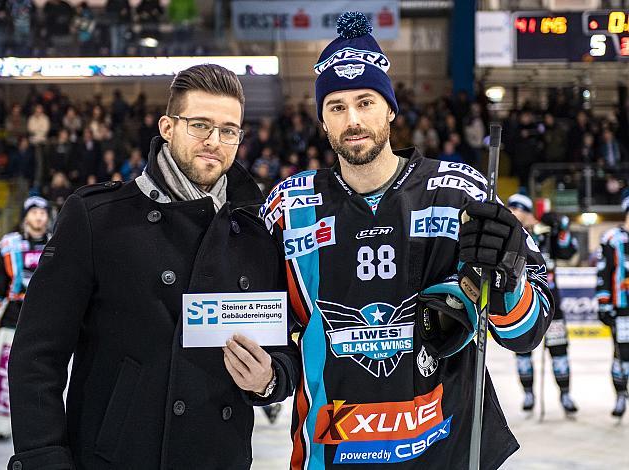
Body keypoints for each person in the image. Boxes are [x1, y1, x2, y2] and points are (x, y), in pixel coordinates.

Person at [260, 12, 554, 469]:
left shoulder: (460, 192)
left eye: (366, 102)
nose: (353, 119)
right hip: (333, 451)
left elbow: (528, 332)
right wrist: (268, 378)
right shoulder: (287, 207)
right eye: (336, 106)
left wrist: (508, 285)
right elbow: (265, 325)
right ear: (321, 120)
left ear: (391, 109)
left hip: (447, 451)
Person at [7, 64, 300, 470]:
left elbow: (286, 348)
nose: (215, 141)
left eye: (229, 130)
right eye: (200, 125)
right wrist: (43, 459)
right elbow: (37, 354)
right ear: (167, 126)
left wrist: (269, 379)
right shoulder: (96, 218)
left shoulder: (255, 233)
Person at [0, 196, 51, 441]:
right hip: (13, 318)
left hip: (48, 319)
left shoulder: (59, 243)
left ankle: (44, 424)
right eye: (34, 212)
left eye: (43, 212)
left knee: (46, 373)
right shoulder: (9, 245)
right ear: (25, 216)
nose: (39, 216)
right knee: (4, 374)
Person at [507, 194, 579, 415]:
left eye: (514, 209)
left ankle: (565, 394)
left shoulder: (547, 233)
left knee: (559, 349)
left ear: (526, 212)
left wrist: (562, 227)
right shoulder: (509, 234)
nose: (510, 213)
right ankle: (528, 393)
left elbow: (570, 252)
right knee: (522, 349)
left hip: (551, 301)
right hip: (518, 300)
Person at [595, 191, 629, 418]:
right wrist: (604, 303)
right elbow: (603, 273)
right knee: (622, 353)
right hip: (622, 307)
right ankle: (621, 395)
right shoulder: (611, 238)